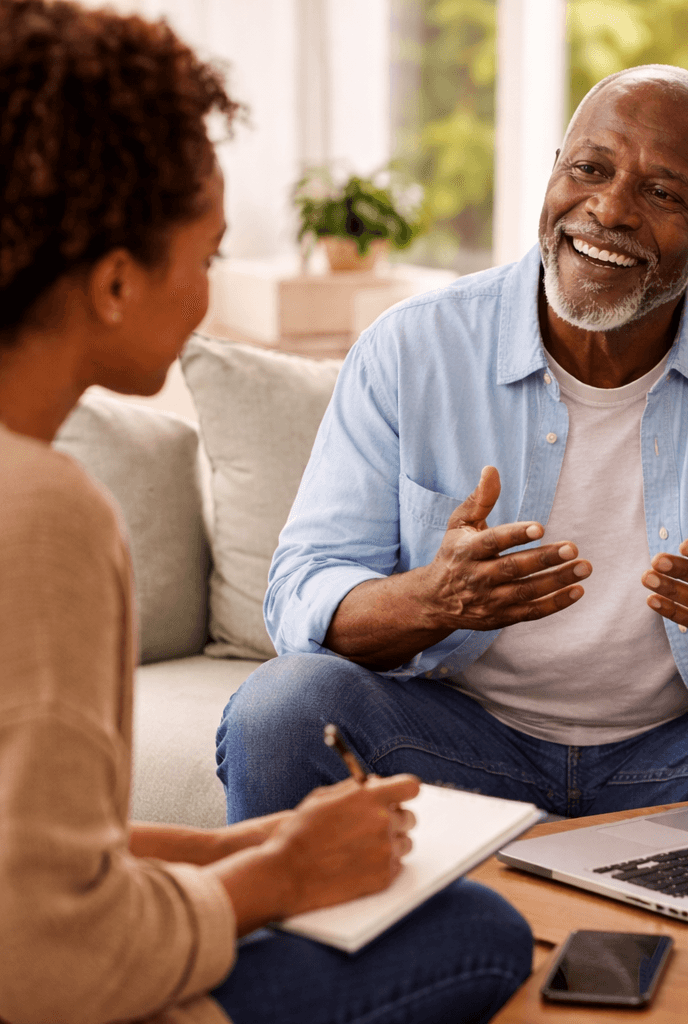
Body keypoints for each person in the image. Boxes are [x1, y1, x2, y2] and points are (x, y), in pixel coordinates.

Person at [217, 64, 688, 824]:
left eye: (662, 194)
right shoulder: (411, 348)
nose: (609, 209)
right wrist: (433, 598)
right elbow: (301, 591)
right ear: (554, 174)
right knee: (281, 713)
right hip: (451, 741)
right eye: (590, 169)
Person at [0, 3, 533, 1023]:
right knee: (477, 932)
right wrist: (275, 883)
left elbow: (27, 850)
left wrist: (240, 849)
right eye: (206, 257)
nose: (208, 295)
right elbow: (43, 958)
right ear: (114, 281)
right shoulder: (43, 515)